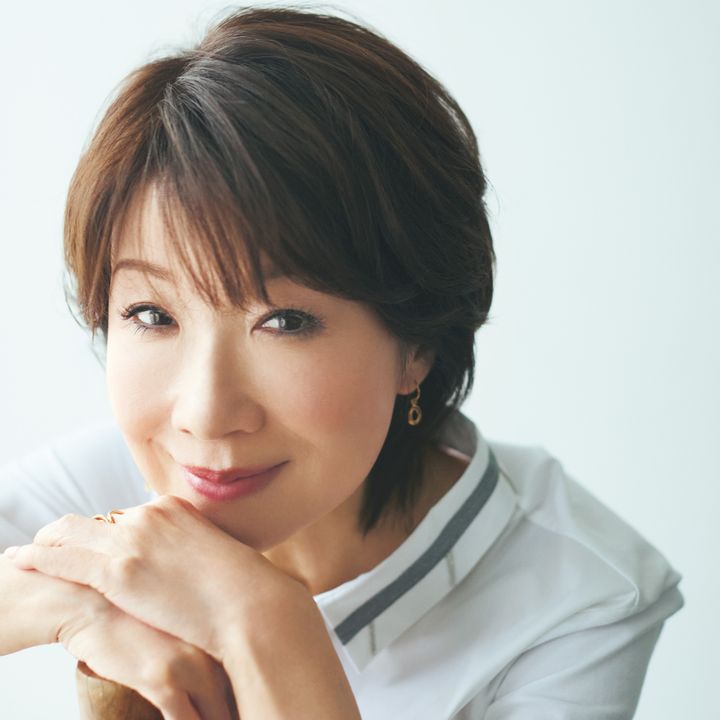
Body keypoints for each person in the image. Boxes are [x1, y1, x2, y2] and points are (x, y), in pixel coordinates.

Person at [0, 6, 683, 719]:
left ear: (417, 344)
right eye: (152, 315)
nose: (204, 414)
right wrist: (68, 604)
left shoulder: (582, 600)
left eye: (284, 322)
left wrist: (266, 624)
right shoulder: (125, 475)